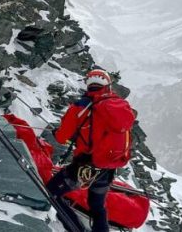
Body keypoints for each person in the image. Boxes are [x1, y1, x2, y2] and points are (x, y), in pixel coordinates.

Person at [49, 68, 136, 232]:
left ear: (88, 85)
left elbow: (61, 138)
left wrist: (59, 133)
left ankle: (75, 227)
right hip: (108, 166)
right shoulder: (121, 106)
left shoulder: (81, 106)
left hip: (84, 165)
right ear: (108, 86)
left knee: (51, 192)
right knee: (97, 206)